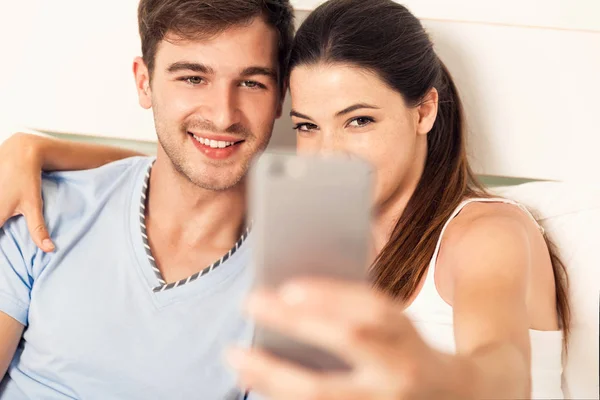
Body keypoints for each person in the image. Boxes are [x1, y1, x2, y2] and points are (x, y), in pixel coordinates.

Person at [0, 0, 569, 399]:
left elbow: (503, 373)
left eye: (360, 120)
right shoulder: (317, 230)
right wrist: (41, 149)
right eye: (308, 126)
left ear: (423, 110)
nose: (328, 154)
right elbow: (192, 170)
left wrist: (429, 375)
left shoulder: (482, 233)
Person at [0, 0, 294, 398]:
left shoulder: (294, 288)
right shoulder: (39, 208)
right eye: (193, 78)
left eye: (251, 83)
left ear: (280, 99)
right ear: (144, 82)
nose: (224, 115)